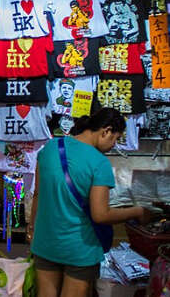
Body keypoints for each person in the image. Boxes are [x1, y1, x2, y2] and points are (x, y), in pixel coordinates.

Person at [30, 108, 153, 296]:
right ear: (106, 131)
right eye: (115, 138)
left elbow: (37, 193)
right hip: (80, 247)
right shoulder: (99, 162)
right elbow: (100, 214)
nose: (114, 145)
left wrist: (32, 228)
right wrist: (137, 211)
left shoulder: (50, 148)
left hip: (45, 241)